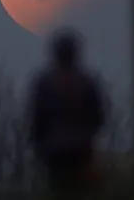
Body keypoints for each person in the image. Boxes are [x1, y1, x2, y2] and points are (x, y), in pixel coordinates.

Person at [27, 28, 106, 198]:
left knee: (61, 191)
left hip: (57, 151)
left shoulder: (45, 84)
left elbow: (36, 119)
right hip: (79, 150)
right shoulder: (86, 83)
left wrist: (39, 144)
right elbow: (99, 117)